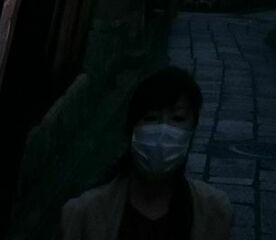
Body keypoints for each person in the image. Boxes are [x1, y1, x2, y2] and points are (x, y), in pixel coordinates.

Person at [59, 65, 232, 238]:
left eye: (177, 118)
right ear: (132, 129)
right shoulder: (86, 213)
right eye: (151, 118)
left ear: (192, 130)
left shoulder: (212, 211)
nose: (163, 130)